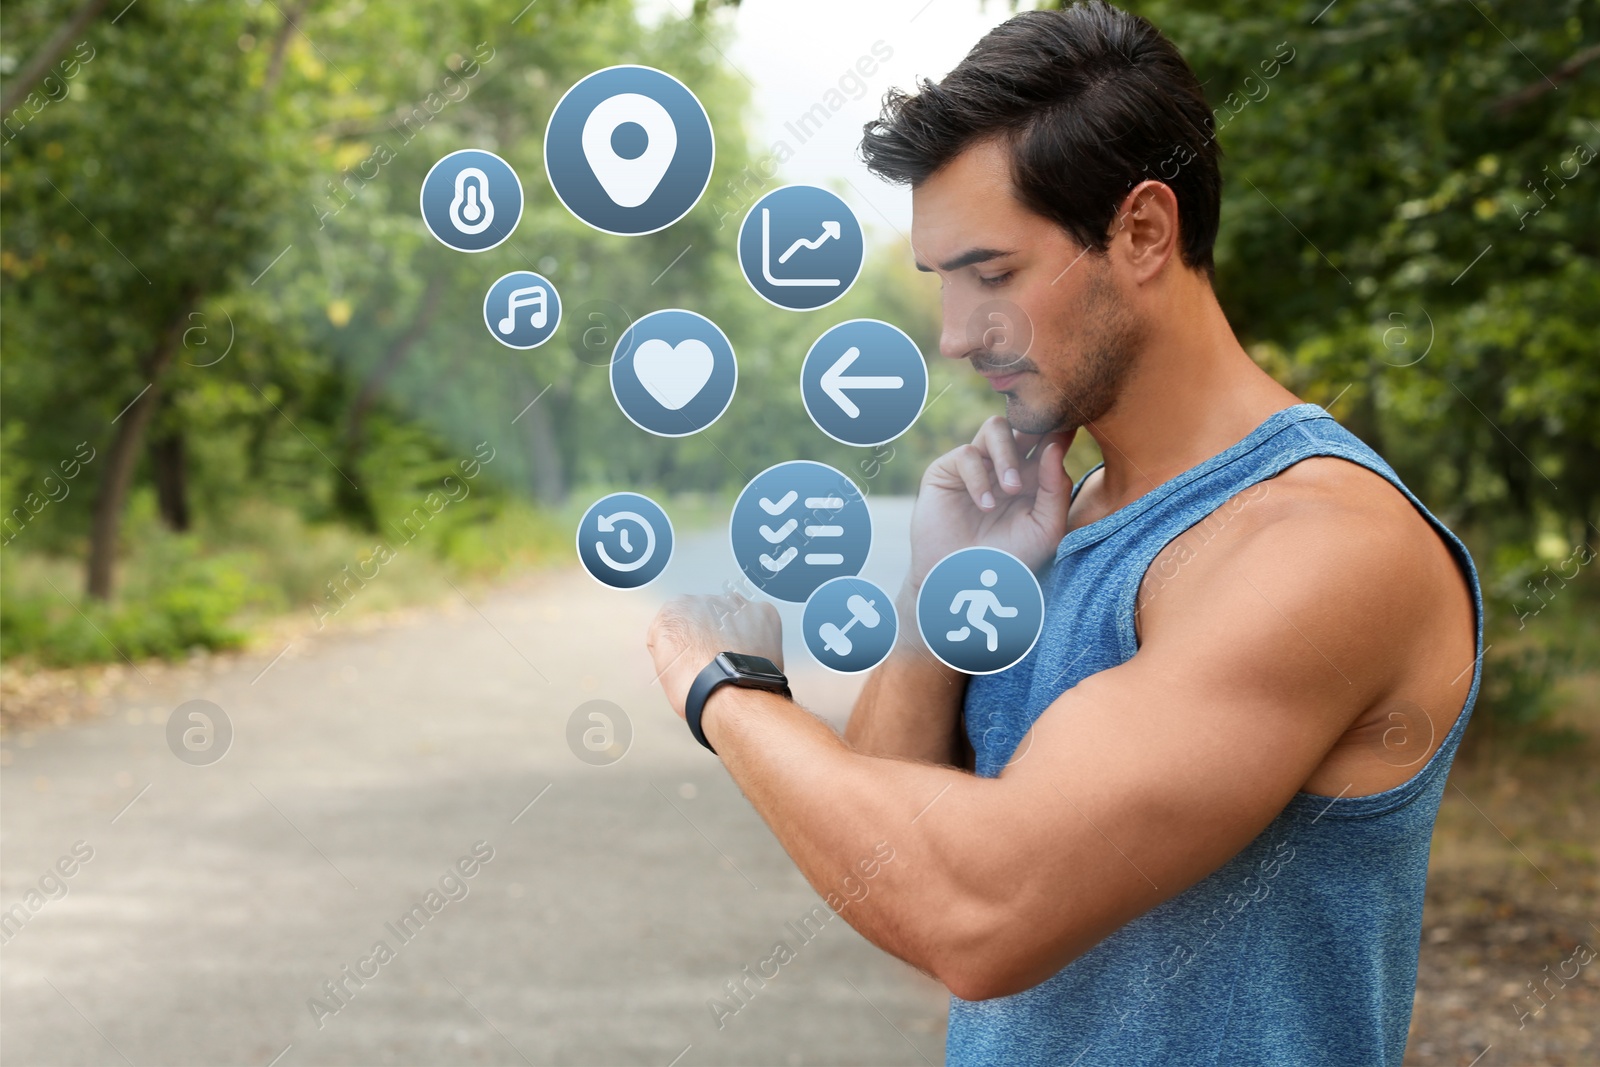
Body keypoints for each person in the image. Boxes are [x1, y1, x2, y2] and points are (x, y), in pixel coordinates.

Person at [645, 3, 1481, 1064]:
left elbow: (977, 910)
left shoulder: (1320, 544)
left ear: (1142, 231)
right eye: (942, 280)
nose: (954, 335)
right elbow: (887, 859)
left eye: (991, 274)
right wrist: (939, 597)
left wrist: (725, 689)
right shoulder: (1067, 513)